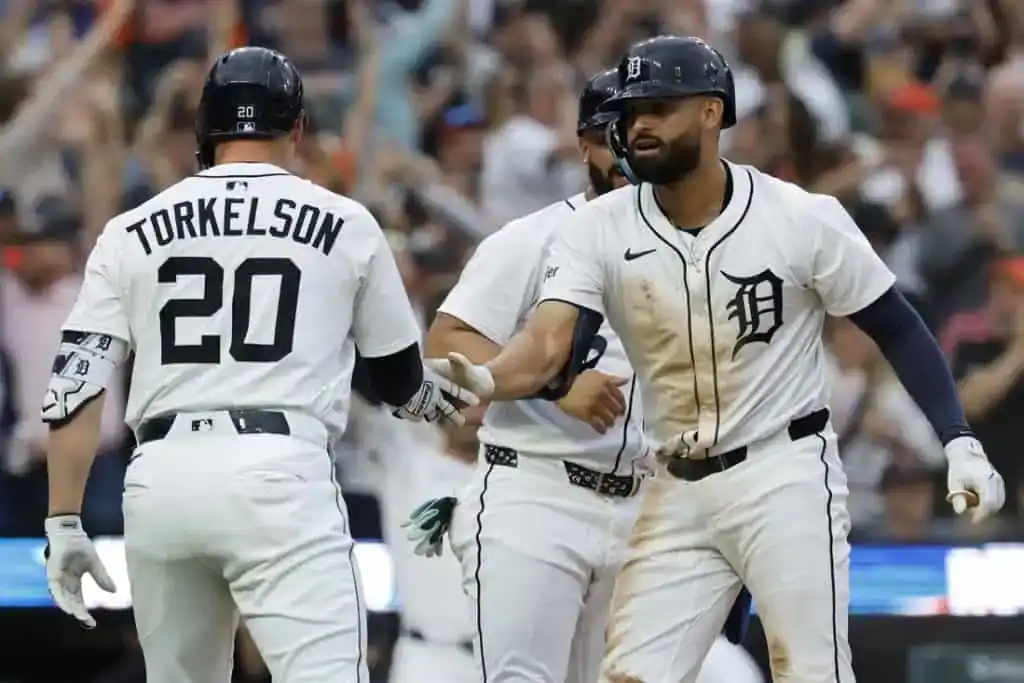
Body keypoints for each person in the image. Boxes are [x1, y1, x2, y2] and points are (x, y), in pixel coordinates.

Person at [425, 36, 1006, 683]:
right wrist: (486, 377)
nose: (637, 126)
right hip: (673, 485)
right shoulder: (596, 228)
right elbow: (548, 341)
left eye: (658, 109)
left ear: (710, 112)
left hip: (781, 469)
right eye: (629, 113)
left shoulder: (799, 217)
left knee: (811, 671)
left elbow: (897, 326)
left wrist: (958, 439)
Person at [39, 47, 476, 683]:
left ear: (205, 131)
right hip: (279, 472)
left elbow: (75, 381)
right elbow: (398, 384)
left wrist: (62, 518)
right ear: (297, 129)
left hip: (161, 479)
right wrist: (448, 400)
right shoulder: (345, 222)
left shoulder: (129, 230)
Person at [408, 69, 647, 683]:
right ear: (584, 144)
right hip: (538, 491)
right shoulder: (531, 238)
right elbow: (447, 343)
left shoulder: (695, 248)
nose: (624, 152)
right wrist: (556, 386)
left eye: (639, 136)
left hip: (644, 506)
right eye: (609, 136)